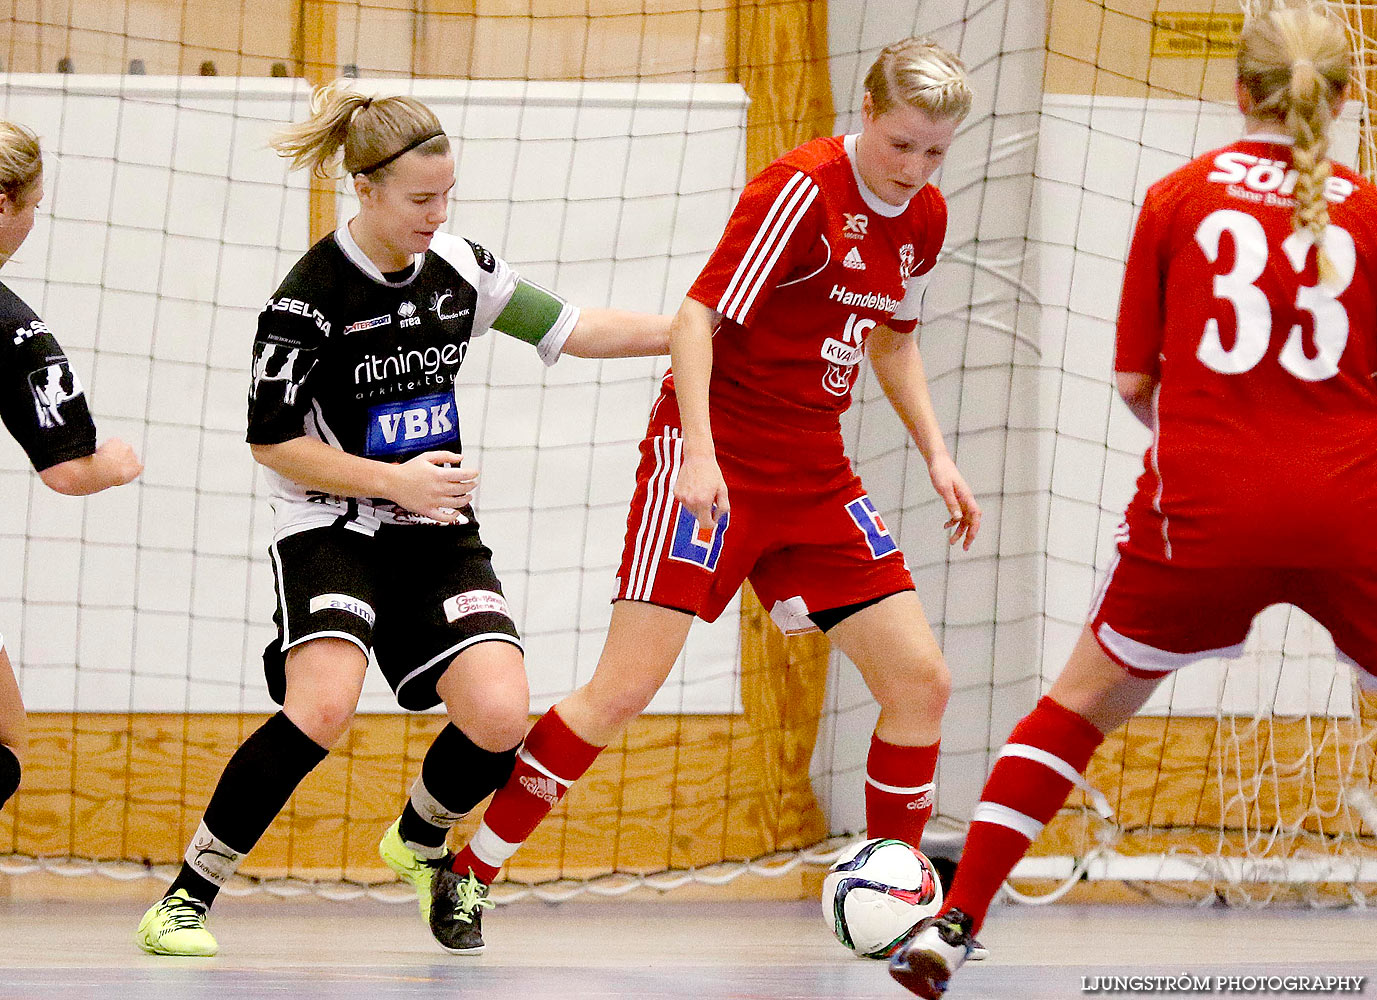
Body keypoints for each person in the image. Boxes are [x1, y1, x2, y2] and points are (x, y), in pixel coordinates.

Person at [434, 36, 983, 952]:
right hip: (711, 461)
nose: (915, 168)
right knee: (621, 692)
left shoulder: (923, 215)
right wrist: (697, 454)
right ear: (865, 115)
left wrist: (937, 456)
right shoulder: (801, 190)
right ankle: (470, 871)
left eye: (935, 151)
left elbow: (892, 340)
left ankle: (895, 903)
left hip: (814, 472)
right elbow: (697, 315)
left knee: (920, 682)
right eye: (901, 145)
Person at [889, 8, 1377, 997]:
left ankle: (956, 919)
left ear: (1240, 92)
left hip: (1202, 507)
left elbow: (1133, 383)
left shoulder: (1178, 197)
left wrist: (1219, 432)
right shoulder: (1370, 213)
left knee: (1073, 708)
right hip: (1350, 507)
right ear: (1345, 97)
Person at [133, 82, 670, 957]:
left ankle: (419, 840)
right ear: (366, 189)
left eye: (446, 194)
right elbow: (271, 442)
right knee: (325, 704)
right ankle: (186, 897)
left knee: (502, 714)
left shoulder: (458, 264)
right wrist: (391, 481)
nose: (437, 213)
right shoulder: (307, 300)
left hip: (433, 527)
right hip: (329, 523)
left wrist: (695, 329)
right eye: (421, 199)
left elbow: (569, 327)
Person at [0, 120, 144, 815]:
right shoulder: (15, 329)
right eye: (34, 206)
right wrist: (114, 464)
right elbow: (67, 469)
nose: (32, 221)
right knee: (5, 742)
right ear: (5, 204)